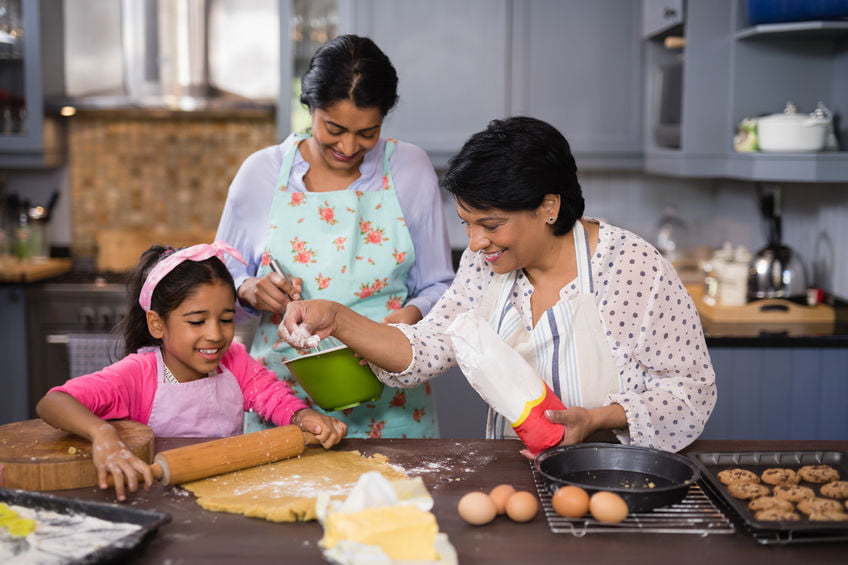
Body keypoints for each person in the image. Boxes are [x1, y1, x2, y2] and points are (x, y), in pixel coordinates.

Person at [278, 116, 717, 454]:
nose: (474, 243)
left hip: (618, 476)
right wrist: (336, 317)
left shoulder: (631, 267)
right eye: (467, 224)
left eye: (490, 224)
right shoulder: (484, 265)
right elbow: (426, 350)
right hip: (518, 468)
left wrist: (597, 419)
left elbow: (691, 393)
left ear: (548, 207)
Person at [215, 34, 454, 438]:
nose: (348, 146)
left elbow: (439, 285)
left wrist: (408, 319)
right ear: (309, 106)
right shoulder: (261, 175)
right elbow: (218, 291)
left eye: (367, 133)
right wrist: (248, 290)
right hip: (283, 403)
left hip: (391, 402)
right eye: (334, 128)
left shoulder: (410, 169)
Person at [36, 242, 347, 501]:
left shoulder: (234, 361)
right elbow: (54, 401)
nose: (215, 334)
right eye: (197, 321)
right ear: (157, 324)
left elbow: (271, 396)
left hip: (227, 493)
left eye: (226, 319)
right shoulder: (138, 374)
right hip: (154, 496)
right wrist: (102, 433)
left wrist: (302, 417)